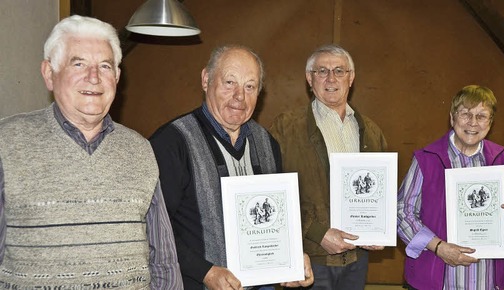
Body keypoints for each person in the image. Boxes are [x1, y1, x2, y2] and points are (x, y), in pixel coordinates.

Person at [0, 15, 182, 288]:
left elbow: (163, 260)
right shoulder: (7, 142)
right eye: (79, 63)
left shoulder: (140, 149)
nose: (94, 77)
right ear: (49, 74)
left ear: (117, 77)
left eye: (105, 66)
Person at [149, 45, 313, 290]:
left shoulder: (268, 143)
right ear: (206, 80)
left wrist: (292, 258)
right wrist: (204, 272)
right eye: (229, 82)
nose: (240, 96)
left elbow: (278, 220)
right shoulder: (172, 142)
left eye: (250, 86)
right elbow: (154, 228)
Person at [270, 44, 387, 290]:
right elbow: (271, 194)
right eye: (322, 71)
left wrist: (379, 229)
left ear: (351, 78)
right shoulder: (285, 128)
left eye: (339, 71)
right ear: (309, 78)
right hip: (310, 257)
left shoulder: (372, 132)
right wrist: (316, 232)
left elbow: (381, 193)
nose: (331, 78)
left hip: (357, 257)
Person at [397, 85, 504, 290]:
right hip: (436, 277)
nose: (473, 122)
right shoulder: (427, 158)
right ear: (452, 117)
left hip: (486, 280)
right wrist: (439, 247)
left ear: (490, 122)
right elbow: (402, 212)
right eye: (465, 114)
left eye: (481, 116)